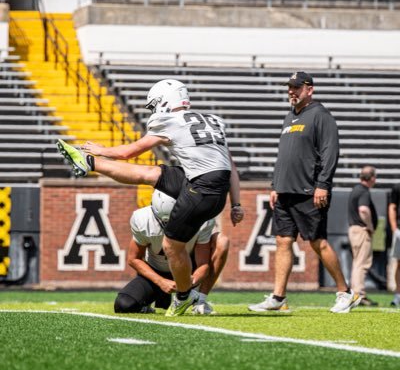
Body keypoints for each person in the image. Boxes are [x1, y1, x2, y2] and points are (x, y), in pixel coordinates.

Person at [57, 78, 243, 317]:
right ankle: (89, 163)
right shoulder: (213, 121)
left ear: (163, 101)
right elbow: (231, 167)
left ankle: (185, 297)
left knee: (170, 244)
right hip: (212, 186)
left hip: (202, 190)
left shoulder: (168, 121)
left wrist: (101, 149)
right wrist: (236, 203)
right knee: (153, 173)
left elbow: (128, 152)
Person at [248, 71, 361, 314]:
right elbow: (284, 157)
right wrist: (275, 186)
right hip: (285, 191)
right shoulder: (289, 117)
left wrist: (323, 184)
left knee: (317, 243)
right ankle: (278, 297)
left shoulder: (321, 115)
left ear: (309, 89)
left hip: (309, 191)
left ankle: (345, 292)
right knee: (282, 241)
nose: (291, 91)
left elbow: (331, 153)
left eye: (296, 87)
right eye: (289, 87)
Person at [114, 190, 230, 315]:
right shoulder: (142, 219)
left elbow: (203, 264)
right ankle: (150, 302)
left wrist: (190, 282)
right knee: (124, 305)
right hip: (157, 270)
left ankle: (199, 301)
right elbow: (133, 258)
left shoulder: (201, 219)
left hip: (188, 270)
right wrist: (160, 281)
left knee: (222, 241)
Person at [348, 166, 378, 306]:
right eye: (375, 176)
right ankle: (359, 295)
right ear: (371, 178)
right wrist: (370, 226)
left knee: (357, 263)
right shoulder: (364, 191)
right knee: (362, 264)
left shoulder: (356, 189)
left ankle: (355, 293)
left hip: (354, 230)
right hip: (361, 230)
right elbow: (364, 210)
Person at [388, 183, 400, 307]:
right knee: (399, 263)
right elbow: (392, 207)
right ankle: (398, 294)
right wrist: (394, 228)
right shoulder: (397, 187)